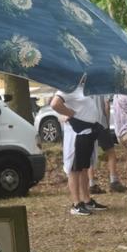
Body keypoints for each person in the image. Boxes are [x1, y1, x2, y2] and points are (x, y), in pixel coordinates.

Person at [50, 85, 109, 215]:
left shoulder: (83, 89)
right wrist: (70, 113)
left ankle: (87, 200)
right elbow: (55, 104)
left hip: (88, 131)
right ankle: (76, 203)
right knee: (74, 169)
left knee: (84, 168)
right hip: (77, 133)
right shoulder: (68, 88)